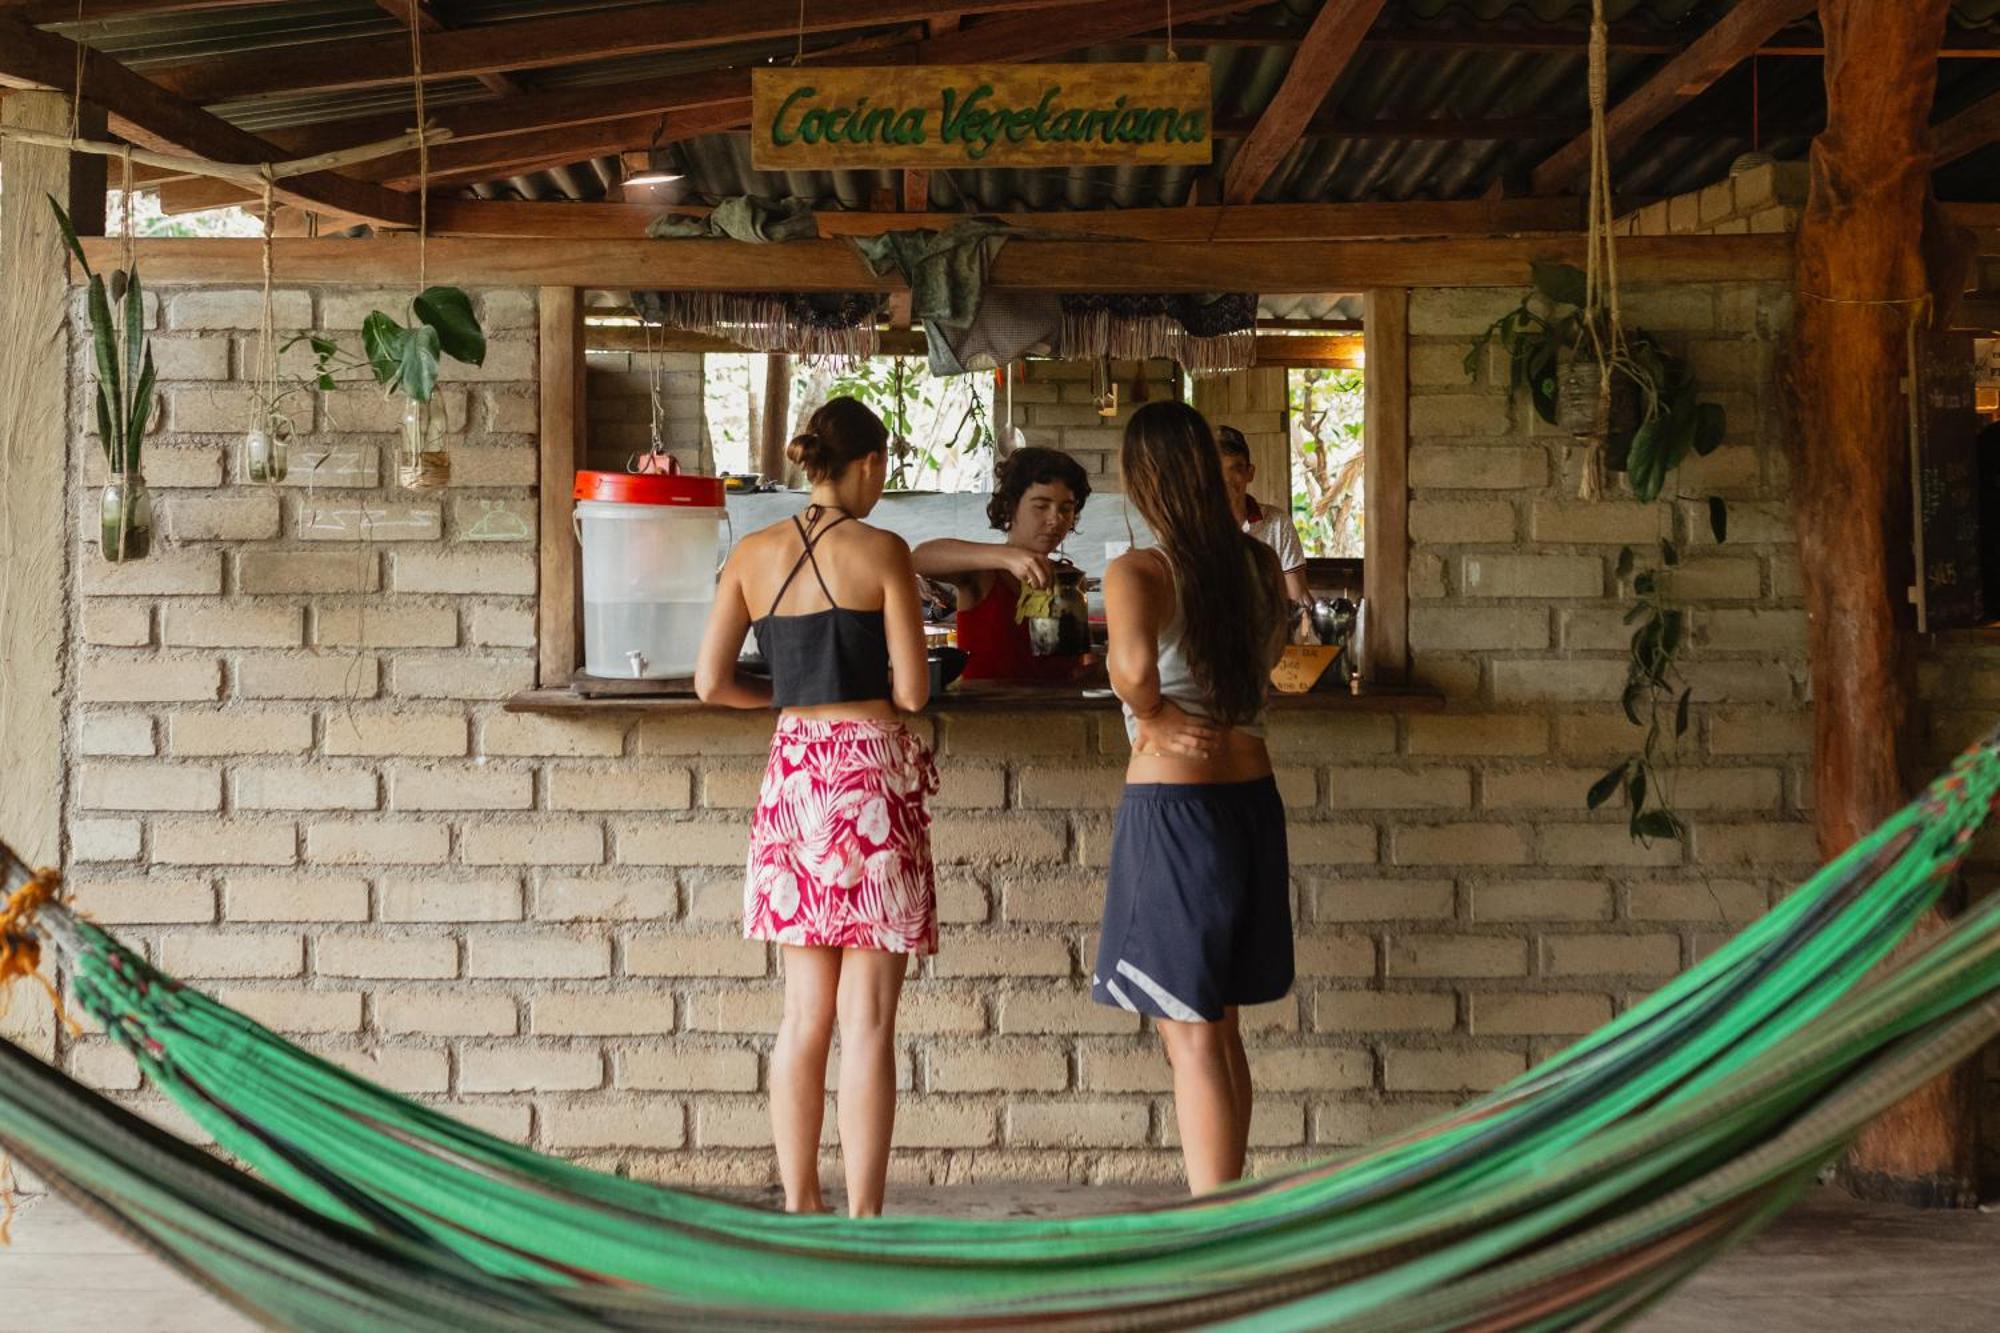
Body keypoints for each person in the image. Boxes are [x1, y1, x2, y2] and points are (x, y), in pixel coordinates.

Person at [694, 397, 936, 1218]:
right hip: (870, 776)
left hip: (795, 775)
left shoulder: (754, 553)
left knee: (804, 1016)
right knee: (867, 1021)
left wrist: (784, 702)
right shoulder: (884, 550)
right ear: (868, 464)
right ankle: (865, 1220)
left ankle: (801, 1208)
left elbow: (709, 682)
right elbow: (910, 688)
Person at [1092, 401, 1291, 1195]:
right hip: (1251, 797)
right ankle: (1232, 1207)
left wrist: (1152, 713)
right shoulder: (1257, 564)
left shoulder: (1140, 570)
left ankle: (1214, 1234)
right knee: (1221, 1026)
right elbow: (1268, 658)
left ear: (1143, 481)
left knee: (1192, 1035)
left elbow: (1135, 668)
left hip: (1176, 812)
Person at [912, 446, 1095, 682]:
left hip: (1058, 713)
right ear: (1010, 507)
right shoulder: (985, 574)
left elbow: (1077, 665)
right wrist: (1007, 557)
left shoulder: (1069, 579)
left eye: (1066, 509)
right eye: (1041, 506)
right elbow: (919, 558)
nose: (1056, 519)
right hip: (989, 715)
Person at [1216, 425, 1312, 602]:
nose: (1226, 479)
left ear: (1249, 473)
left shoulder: (1277, 524)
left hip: (1268, 627)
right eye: (1216, 471)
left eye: (1235, 468)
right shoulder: (1194, 527)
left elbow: (1298, 596)